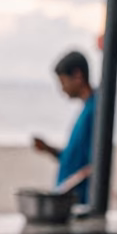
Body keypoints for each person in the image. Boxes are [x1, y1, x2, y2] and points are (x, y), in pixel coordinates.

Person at [32, 50, 97, 204]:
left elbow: (94, 163)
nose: (62, 89)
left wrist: (67, 188)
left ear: (77, 75)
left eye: (63, 82)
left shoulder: (96, 109)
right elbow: (75, 155)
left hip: (79, 199)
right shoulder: (87, 108)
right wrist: (49, 149)